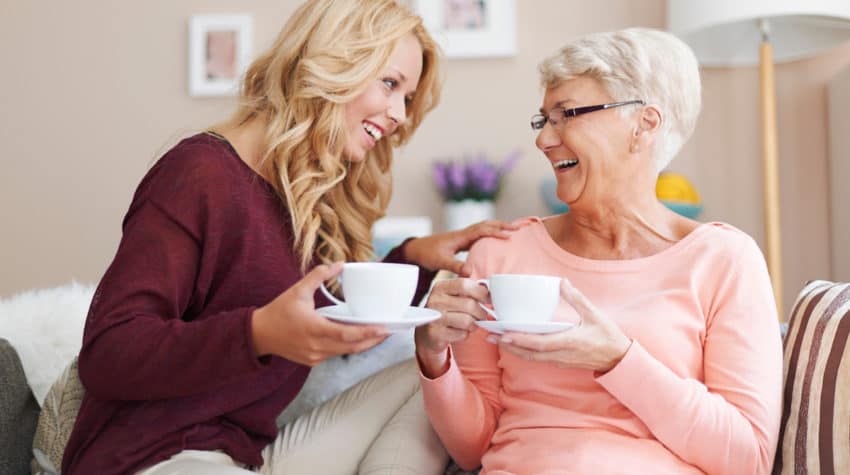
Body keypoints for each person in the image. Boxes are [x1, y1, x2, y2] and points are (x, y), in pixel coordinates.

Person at [61, 1, 517, 474]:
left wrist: (416, 260)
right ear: (336, 60)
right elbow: (107, 353)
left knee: (431, 376)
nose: (401, 114)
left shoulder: (300, 200)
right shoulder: (199, 173)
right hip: (153, 456)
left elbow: (316, 313)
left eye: (407, 97)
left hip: (247, 456)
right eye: (390, 83)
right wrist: (258, 333)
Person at [415, 27, 783, 474]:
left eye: (567, 114)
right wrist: (434, 358)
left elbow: (749, 458)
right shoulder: (499, 254)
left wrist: (617, 358)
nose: (543, 140)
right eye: (543, 119)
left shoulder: (724, 260)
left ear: (644, 124)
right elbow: (474, 448)